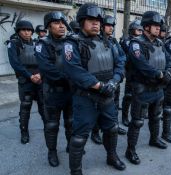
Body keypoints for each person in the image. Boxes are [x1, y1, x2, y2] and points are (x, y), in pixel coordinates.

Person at [62, 3, 126, 174]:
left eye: (98, 20)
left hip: (107, 96)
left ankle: (111, 156)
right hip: (86, 98)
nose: (96, 23)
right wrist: (98, 85)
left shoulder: (108, 42)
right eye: (91, 20)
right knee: (79, 137)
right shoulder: (72, 43)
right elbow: (73, 69)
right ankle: (75, 170)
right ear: (82, 22)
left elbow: (120, 63)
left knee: (111, 129)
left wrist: (115, 81)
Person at [125, 11, 171, 165]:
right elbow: (141, 65)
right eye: (155, 25)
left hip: (158, 89)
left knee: (156, 116)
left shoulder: (160, 43)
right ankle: (130, 150)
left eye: (160, 26)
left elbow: (169, 60)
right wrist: (159, 74)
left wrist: (169, 72)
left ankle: (154, 139)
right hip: (142, 89)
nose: (159, 28)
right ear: (146, 26)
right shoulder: (136, 43)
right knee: (138, 121)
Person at [35, 11, 73, 167]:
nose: (61, 25)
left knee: (71, 122)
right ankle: (52, 151)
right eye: (57, 23)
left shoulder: (71, 42)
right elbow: (47, 69)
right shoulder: (41, 44)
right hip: (52, 92)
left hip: (70, 92)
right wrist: (71, 77)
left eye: (63, 22)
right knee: (52, 125)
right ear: (49, 26)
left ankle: (71, 145)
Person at [7, 20, 44, 144]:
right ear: (18, 31)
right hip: (25, 80)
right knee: (25, 107)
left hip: (39, 79)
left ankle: (48, 128)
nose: (27, 32)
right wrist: (30, 76)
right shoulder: (13, 44)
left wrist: (40, 74)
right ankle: (24, 132)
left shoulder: (37, 43)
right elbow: (15, 64)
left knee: (43, 106)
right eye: (24, 30)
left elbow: (44, 61)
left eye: (29, 30)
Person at [101, 14, 127, 135]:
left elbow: (122, 57)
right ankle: (95, 132)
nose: (111, 28)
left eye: (112, 25)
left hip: (114, 79)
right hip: (102, 79)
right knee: (99, 107)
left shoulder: (114, 41)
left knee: (115, 104)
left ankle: (114, 125)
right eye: (108, 25)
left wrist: (118, 75)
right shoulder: (97, 41)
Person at [120, 19, 143, 127]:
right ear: (132, 30)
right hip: (130, 72)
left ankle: (138, 115)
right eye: (138, 30)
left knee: (139, 96)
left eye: (141, 30)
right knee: (128, 96)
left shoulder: (141, 40)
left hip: (140, 72)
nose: (140, 32)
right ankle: (124, 117)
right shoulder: (126, 41)